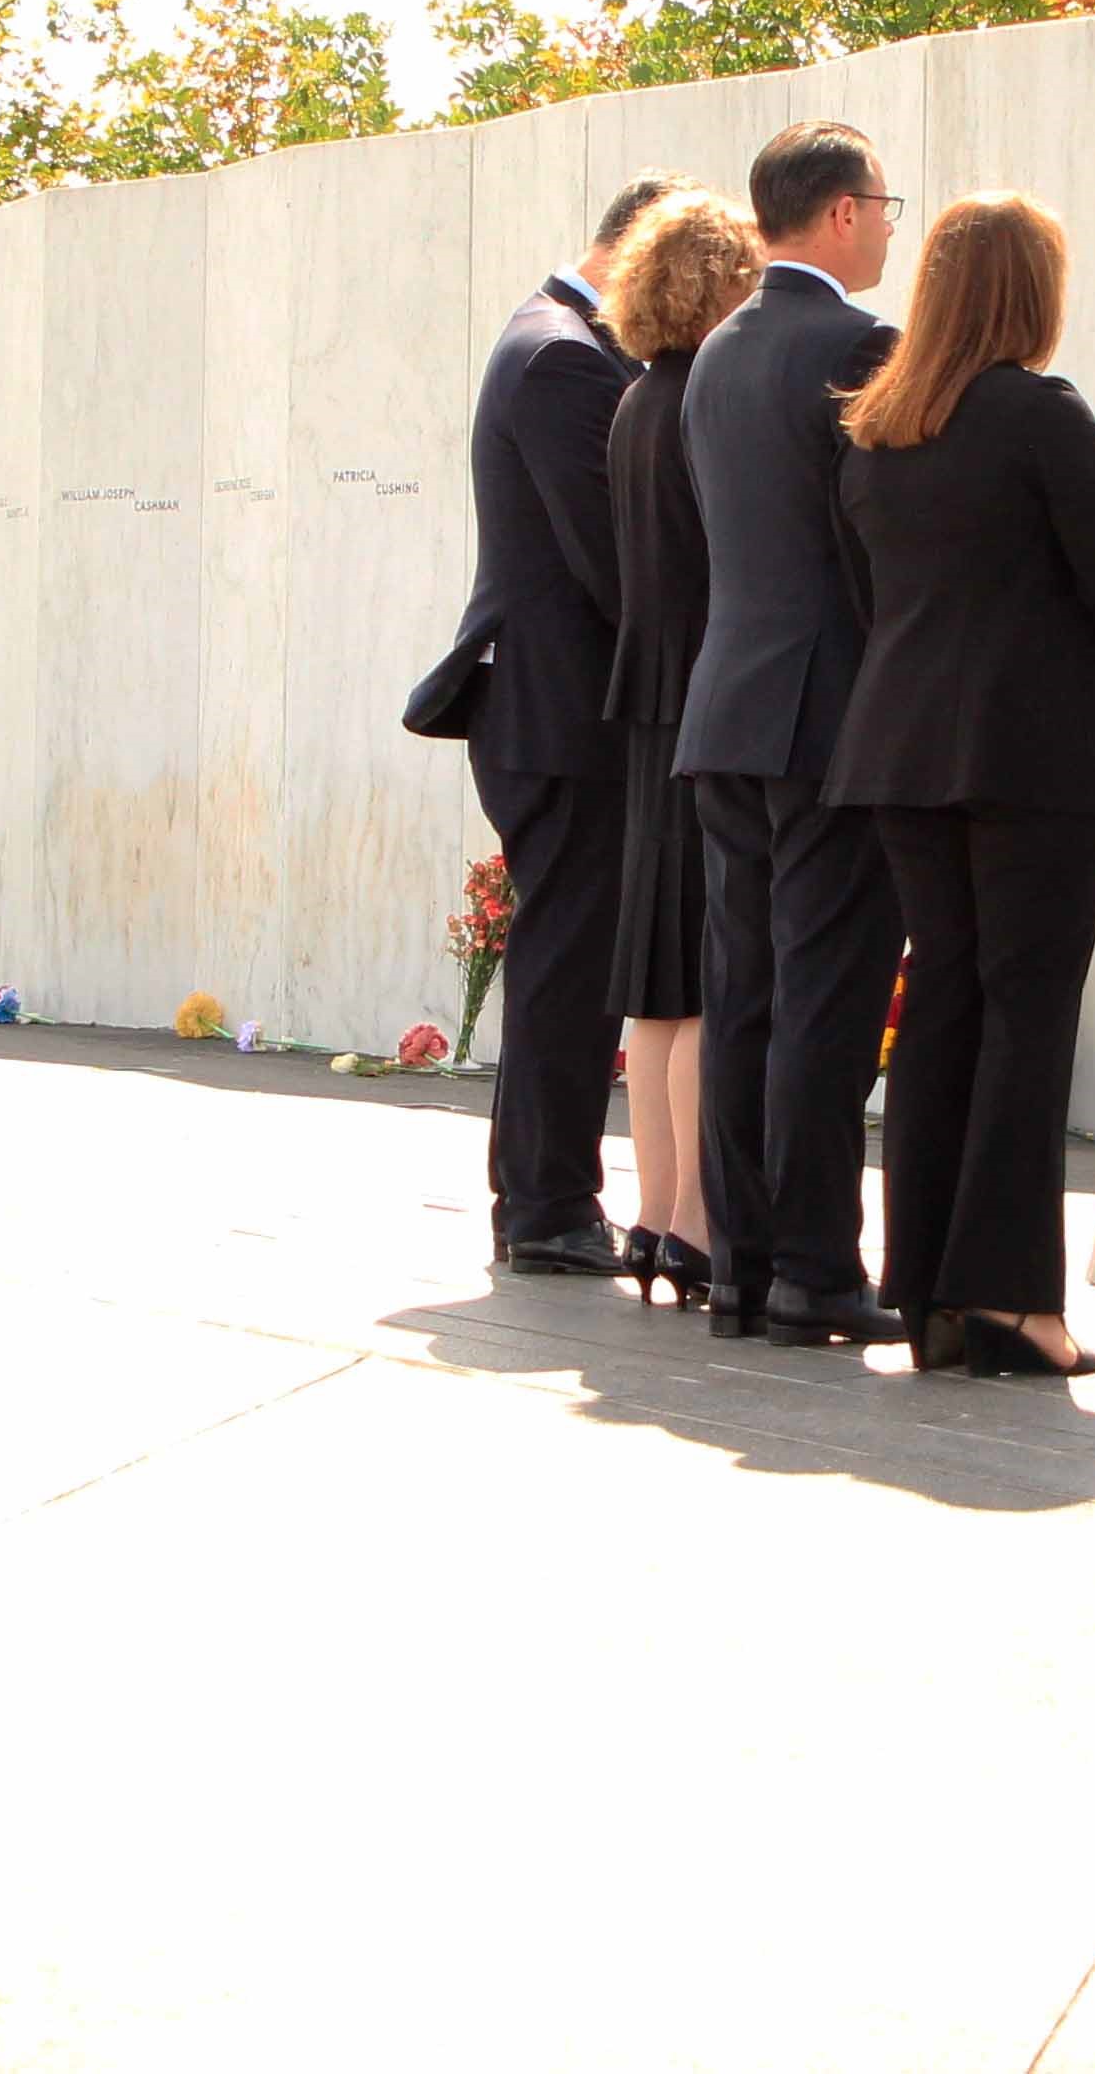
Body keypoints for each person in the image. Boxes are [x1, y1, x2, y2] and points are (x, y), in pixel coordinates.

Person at [830, 193, 1095, 1378]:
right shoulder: (1040, 414)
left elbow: (874, 605)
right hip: (1033, 757)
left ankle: (929, 1293)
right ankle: (1014, 1299)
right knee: (1026, 1015)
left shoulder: (877, 429)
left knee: (945, 1007)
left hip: (901, 753)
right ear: (1033, 293)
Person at [406, 175, 673, 1278]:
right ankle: (549, 1204)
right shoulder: (565, 353)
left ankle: (544, 1196)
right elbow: (610, 558)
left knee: (569, 950)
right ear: (635, 251)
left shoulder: (552, 338)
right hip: (563, 712)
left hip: (558, 706)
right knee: (571, 956)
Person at [677, 119, 907, 1349]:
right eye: (883, 205)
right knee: (825, 991)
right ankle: (818, 1265)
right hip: (828, 714)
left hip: (729, 705)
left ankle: (743, 1266)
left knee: (746, 989)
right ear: (839, 215)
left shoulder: (716, 349)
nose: (887, 226)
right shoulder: (860, 343)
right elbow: (879, 536)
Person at [597, 187, 764, 1307]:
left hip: (646, 696)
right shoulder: (705, 400)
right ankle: (700, 1224)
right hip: (706, 691)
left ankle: (657, 1218)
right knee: (702, 982)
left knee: (656, 993)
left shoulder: (632, 405)